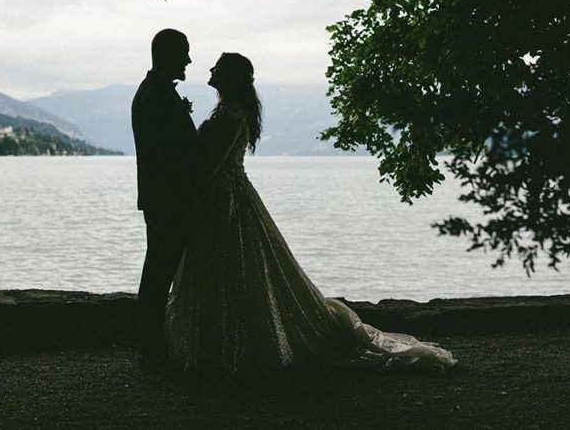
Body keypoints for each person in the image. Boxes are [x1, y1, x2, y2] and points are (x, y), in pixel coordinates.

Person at [165, 52, 457, 374]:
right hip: (225, 198)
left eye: (217, 67)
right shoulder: (229, 111)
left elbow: (209, 167)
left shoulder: (231, 115)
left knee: (227, 269)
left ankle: (227, 349)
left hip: (224, 202)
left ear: (229, 76)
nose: (210, 69)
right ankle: (221, 345)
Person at [132, 28, 198, 368]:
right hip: (167, 200)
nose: (189, 59)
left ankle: (154, 347)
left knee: (159, 272)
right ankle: (152, 350)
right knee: (158, 274)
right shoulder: (155, 96)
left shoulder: (154, 92)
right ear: (168, 54)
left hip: (163, 199)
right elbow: (174, 155)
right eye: (184, 52)